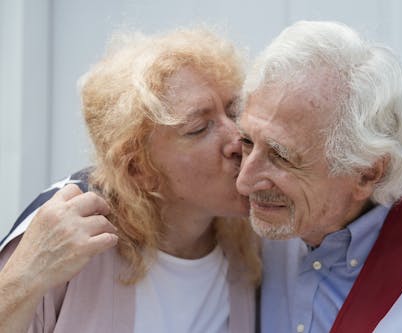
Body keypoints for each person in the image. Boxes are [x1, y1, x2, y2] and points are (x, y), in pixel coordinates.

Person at [236, 20, 402, 332]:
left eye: (281, 157)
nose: (244, 181)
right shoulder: (255, 210)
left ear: (366, 173)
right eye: (247, 142)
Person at [0, 28, 260, 333]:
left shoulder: (256, 232)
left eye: (233, 111)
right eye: (199, 127)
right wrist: (24, 279)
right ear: (138, 168)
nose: (237, 140)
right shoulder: (65, 226)